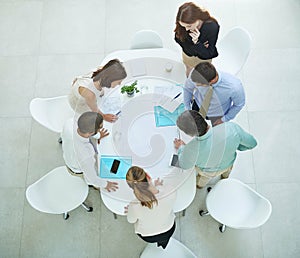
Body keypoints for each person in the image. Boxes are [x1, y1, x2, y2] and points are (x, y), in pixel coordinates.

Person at [174, 110, 257, 188]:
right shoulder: (231, 128)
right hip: (228, 164)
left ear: (190, 134)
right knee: (226, 172)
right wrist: (236, 146)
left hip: (208, 172)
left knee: (202, 181)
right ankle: (224, 178)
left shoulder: (190, 149)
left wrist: (181, 147)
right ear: (202, 117)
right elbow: (252, 143)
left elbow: (184, 165)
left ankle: (200, 186)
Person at [61, 112, 118, 192]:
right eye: (100, 128)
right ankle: (94, 187)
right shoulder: (86, 154)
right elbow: (92, 178)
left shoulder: (70, 123)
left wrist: (98, 135)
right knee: (97, 173)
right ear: (90, 133)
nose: (101, 128)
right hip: (76, 169)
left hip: (68, 154)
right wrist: (106, 184)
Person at [125, 166, 176, 249]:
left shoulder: (134, 206)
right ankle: (163, 246)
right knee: (164, 240)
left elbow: (131, 220)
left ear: (132, 187)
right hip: (168, 229)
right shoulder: (170, 191)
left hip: (148, 236)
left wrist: (131, 210)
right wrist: (159, 187)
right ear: (148, 176)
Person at [184, 62, 245, 126]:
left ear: (212, 81)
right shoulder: (195, 74)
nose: (196, 85)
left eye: (200, 84)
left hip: (218, 115)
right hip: (198, 105)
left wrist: (224, 119)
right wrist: (187, 108)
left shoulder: (234, 87)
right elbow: (187, 89)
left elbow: (238, 105)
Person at [174, 2, 220, 76]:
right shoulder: (183, 26)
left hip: (203, 60)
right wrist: (200, 46)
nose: (186, 29)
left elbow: (209, 54)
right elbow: (178, 39)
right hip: (188, 56)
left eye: (189, 26)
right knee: (189, 70)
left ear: (197, 19)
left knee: (204, 76)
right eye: (183, 26)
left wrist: (197, 42)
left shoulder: (212, 27)